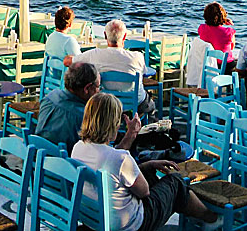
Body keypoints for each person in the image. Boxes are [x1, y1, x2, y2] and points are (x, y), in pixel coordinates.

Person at [71, 93, 217, 231]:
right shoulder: (120, 158)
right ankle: (211, 219)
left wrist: (148, 165)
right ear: (112, 124)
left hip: (94, 219)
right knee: (176, 182)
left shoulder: (77, 148)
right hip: (130, 225)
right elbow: (144, 192)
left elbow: (113, 169)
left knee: (151, 174)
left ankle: (192, 209)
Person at [35, 62, 142, 152]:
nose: (99, 90)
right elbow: (106, 158)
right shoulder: (86, 117)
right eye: (98, 86)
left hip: (41, 164)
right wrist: (131, 134)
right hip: (69, 172)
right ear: (87, 88)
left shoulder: (49, 98)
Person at [70, 19, 156, 118]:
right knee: (150, 105)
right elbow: (144, 73)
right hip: (135, 103)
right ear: (124, 36)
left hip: (106, 104)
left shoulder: (94, 54)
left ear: (105, 35)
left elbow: (69, 62)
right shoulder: (137, 56)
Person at [198, 2, 236, 74]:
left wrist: (221, 21)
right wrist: (223, 21)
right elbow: (232, 47)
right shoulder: (229, 32)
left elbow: (213, 28)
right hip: (225, 66)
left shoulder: (201, 28)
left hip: (208, 64)